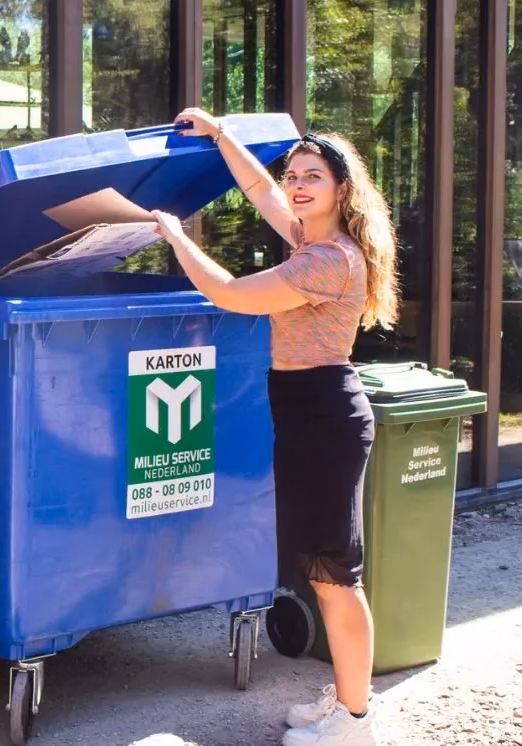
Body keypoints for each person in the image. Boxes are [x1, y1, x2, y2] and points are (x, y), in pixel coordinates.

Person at [151, 108, 399, 746]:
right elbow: (260, 189)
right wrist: (221, 135)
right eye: (294, 175)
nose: (296, 184)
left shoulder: (328, 261)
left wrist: (176, 237)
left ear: (341, 189)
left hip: (323, 417)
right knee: (322, 571)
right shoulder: (310, 241)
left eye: (312, 176)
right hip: (308, 413)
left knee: (336, 577)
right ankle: (348, 703)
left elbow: (231, 293)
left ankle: (356, 723)